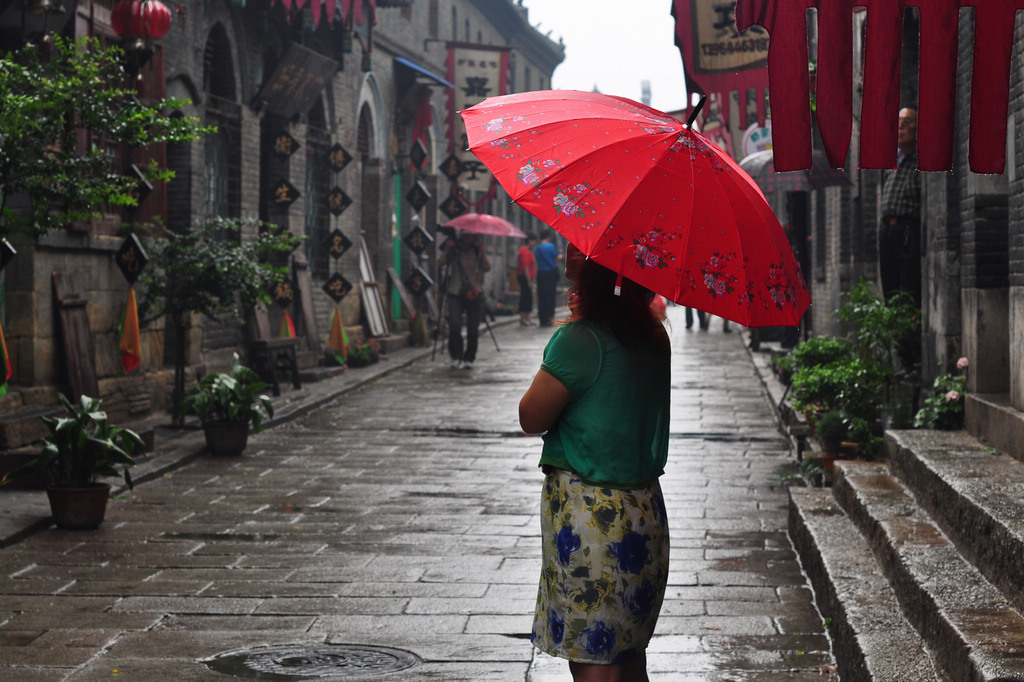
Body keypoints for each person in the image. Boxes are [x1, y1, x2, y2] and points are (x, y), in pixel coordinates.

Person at [519, 243, 671, 682]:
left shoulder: (579, 339)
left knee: (595, 663)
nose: (569, 247)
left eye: (579, 245)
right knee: (627, 655)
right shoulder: (653, 334)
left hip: (593, 519)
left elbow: (531, 416)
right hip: (643, 512)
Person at [878, 106, 921, 306]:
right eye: (898, 123)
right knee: (889, 284)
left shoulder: (919, 162)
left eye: (907, 123)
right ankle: (894, 327)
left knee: (909, 282)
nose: (900, 128)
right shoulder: (891, 161)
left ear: (917, 129)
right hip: (887, 230)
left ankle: (909, 331)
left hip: (907, 230)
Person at [442, 231, 491, 369]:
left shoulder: (477, 250)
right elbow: (440, 262)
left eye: (471, 235)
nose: (468, 238)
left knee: (472, 327)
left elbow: (487, 267)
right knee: (455, 323)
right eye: (466, 235)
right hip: (455, 290)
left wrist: (483, 252)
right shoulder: (454, 248)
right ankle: (456, 356)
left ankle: (470, 357)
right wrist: (447, 249)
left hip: (474, 292)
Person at [535, 230, 561, 326]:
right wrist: (561, 256)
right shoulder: (550, 246)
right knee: (550, 296)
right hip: (549, 274)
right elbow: (556, 258)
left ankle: (542, 319)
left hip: (540, 273)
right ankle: (549, 319)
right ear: (548, 237)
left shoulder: (537, 248)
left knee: (541, 297)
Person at [517, 232, 538, 326]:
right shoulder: (524, 251)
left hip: (528, 277)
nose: (534, 243)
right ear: (529, 241)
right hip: (525, 277)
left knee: (528, 298)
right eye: (533, 241)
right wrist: (529, 281)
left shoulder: (528, 251)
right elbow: (526, 267)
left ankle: (527, 318)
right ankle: (523, 318)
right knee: (525, 298)